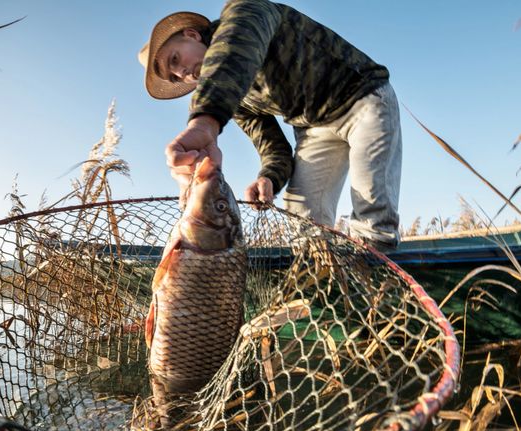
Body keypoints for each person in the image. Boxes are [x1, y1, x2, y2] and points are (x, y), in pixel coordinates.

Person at [138, 0, 402, 251]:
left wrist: (205, 122)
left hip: (363, 98)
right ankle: (320, 284)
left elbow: (234, 51)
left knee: (373, 214)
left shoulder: (246, 12)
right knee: (304, 226)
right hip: (314, 129)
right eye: (174, 76)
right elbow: (273, 147)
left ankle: (377, 278)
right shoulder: (234, 98)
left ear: (192, 35)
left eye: (175, 59)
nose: (182, 73)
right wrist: (269, 178)